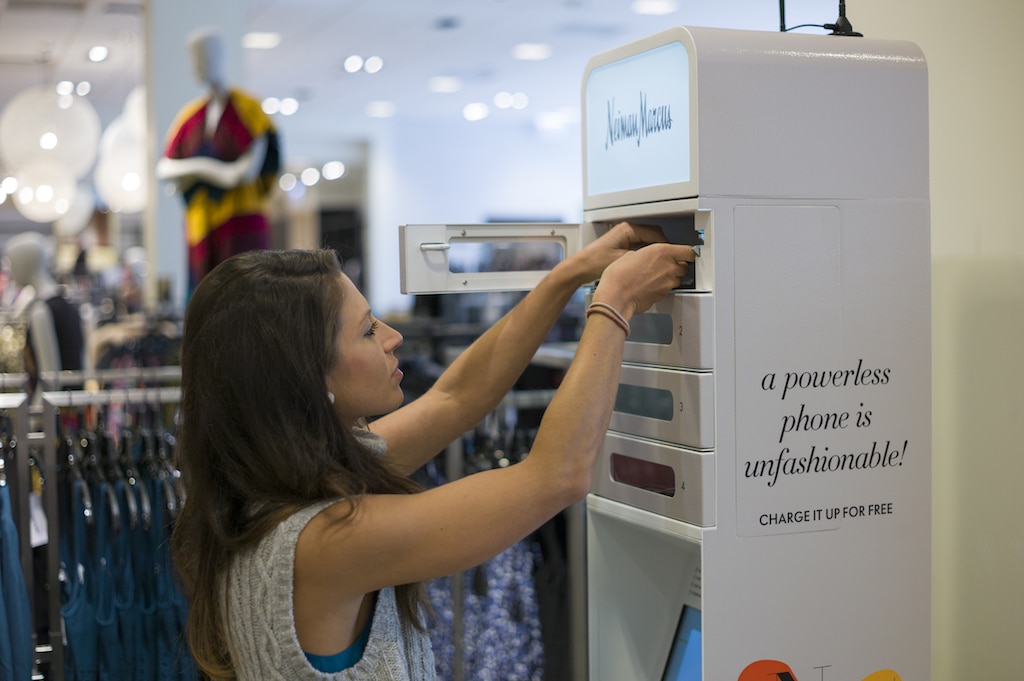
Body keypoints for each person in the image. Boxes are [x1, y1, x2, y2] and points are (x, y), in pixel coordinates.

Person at [170, 222, 696, 680]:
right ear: (307, 377)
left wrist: (569, 275)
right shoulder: (324, 540)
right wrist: (614, 304)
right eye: (367, 330)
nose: (393, 336)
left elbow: (455, 397)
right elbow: (557, 476)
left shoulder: (270, 490)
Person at [156, 26, 281, 296]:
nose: (197, 64)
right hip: (201, 226)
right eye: (193, 57)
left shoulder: (248, 108)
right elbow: (164, 168)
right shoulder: (189, 117)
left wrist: (193, 172)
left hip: (242, 221)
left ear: (220, 55)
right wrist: (210, 169)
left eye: (203, 55)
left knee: (249, 300)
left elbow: (244, 175)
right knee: (206, 303)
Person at [3, 231, 84, 399]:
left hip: (53, 413)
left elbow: (50, 379)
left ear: (26, 263)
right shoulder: (64, 304)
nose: (11, 271)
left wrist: (34, 419)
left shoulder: (41, 310)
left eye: (12, 263)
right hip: (72, 405)